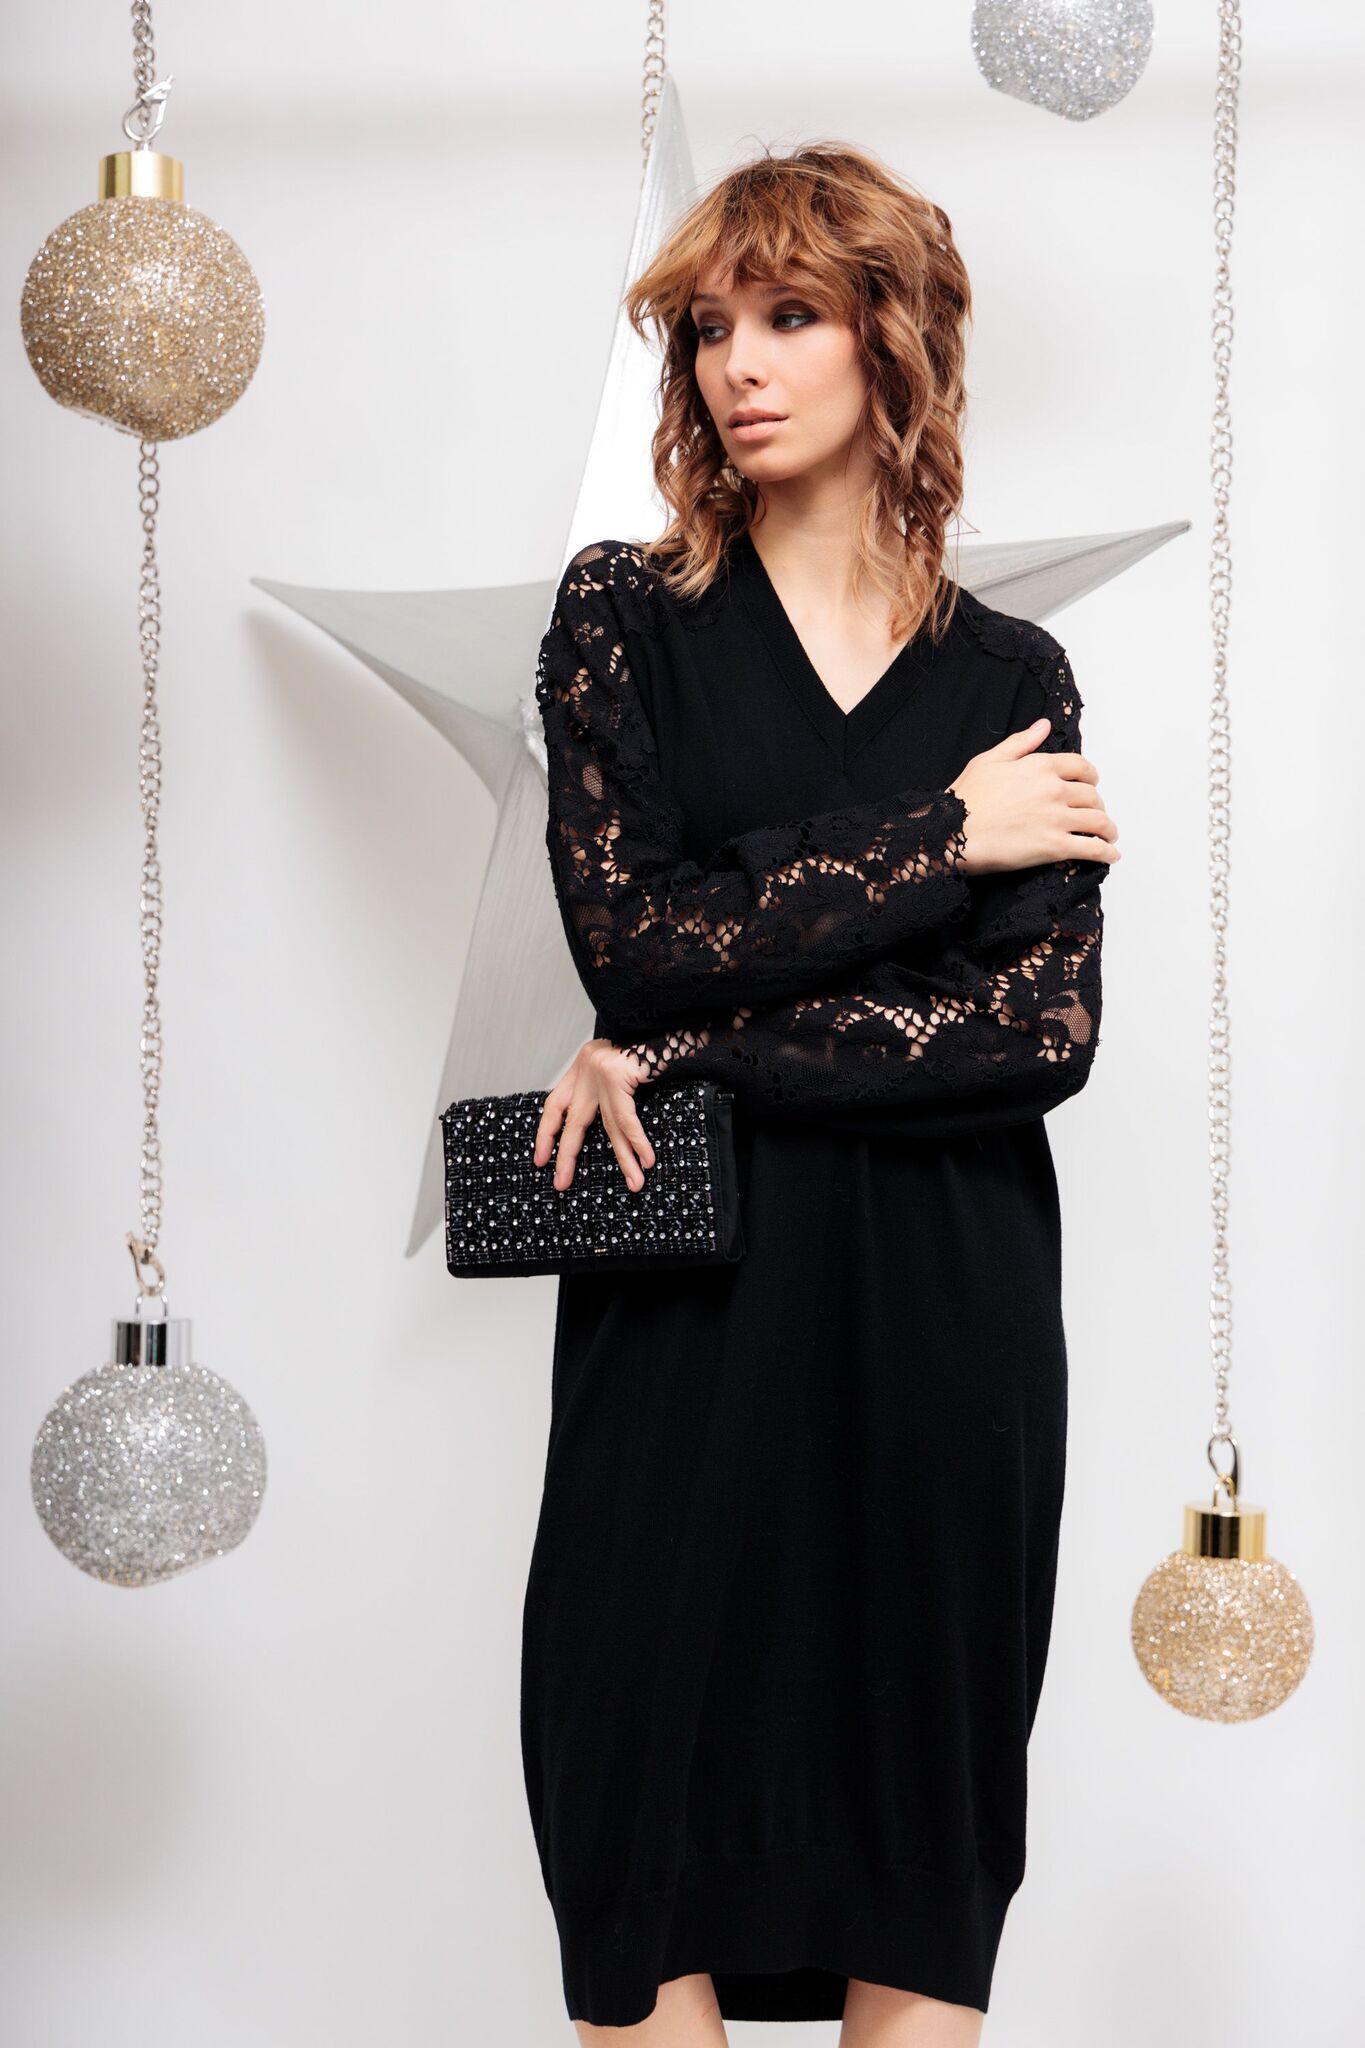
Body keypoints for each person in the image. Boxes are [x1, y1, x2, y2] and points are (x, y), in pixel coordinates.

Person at [522, 141, 1120, 2045]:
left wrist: (703, 1044)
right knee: (630, 1823)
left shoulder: (1011, 674)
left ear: (893, 342)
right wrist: (941, 839)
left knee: (918, 1841)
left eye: (789, 316)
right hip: (684, 1319)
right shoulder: (621, 618)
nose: (738, 365)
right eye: (710, 328)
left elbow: (1032, 1033)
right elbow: (637, 942)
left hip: (941, 1323)